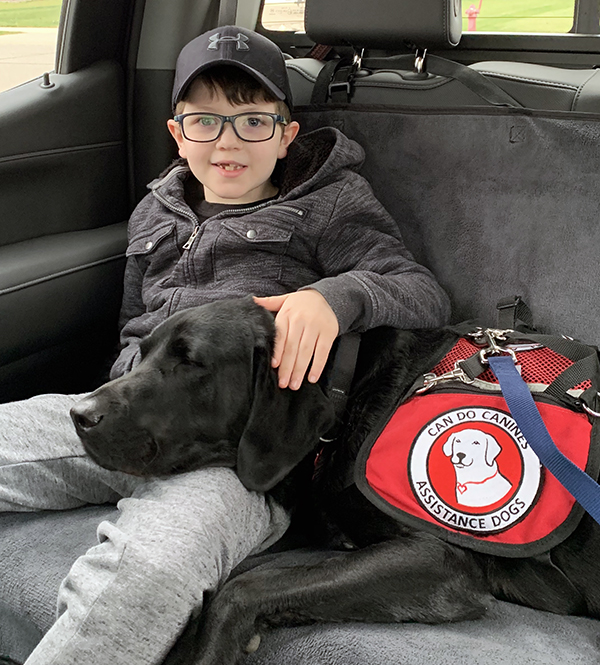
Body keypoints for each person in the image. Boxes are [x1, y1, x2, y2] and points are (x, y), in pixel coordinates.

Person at [0, 25, 450, 665]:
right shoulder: (155, 211)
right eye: (205, 123)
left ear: (286, 135)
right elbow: (134, 324)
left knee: (148, 569)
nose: (228, 142)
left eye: (252, 123)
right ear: (177, 133)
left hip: (238, 457)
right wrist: (121, 392)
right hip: (132, 410)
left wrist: (333, 299)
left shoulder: (327, 202)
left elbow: (418, 290)